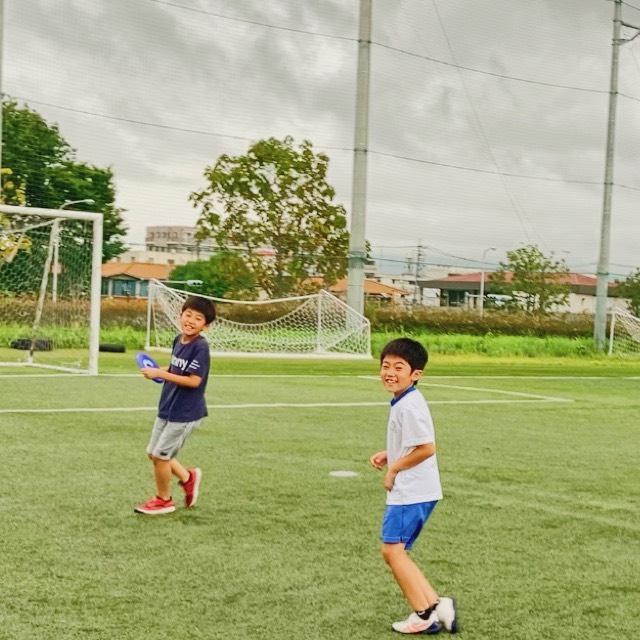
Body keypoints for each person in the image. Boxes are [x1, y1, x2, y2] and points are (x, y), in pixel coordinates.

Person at [369, 337, 458, 634]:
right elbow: (414, 442)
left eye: (399, 367)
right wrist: (391, 453)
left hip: (411, 491)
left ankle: (424, 615)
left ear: (415, 374)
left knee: (392, 552)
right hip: (418, 490)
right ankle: (436, 605)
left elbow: (427, 448)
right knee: (396, 551)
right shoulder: (405, 400)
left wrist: (394, 468)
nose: (389, 373)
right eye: (385, 366)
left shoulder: (408, 405)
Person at [134, 295, 216, 515]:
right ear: (180, 316)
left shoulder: (200, 347)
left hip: (185, 413)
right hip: (168, 407)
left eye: (198, 318)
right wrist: (158, 371)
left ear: (205, 326)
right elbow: (175, 369)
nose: (191, 320)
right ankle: (188, 478)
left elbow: (194, 380)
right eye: (188, 315)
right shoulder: (178, 340)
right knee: (153, 453)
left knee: (161, 456)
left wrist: (161, 374)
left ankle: (164, 500)